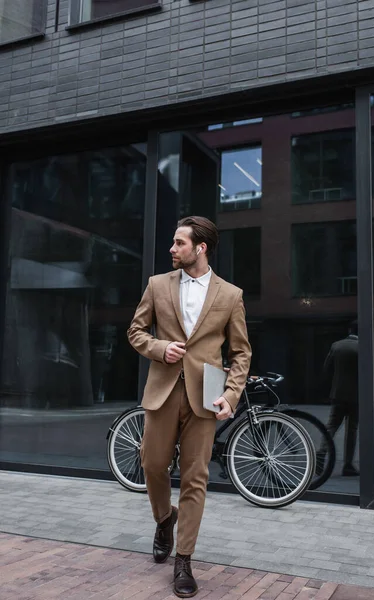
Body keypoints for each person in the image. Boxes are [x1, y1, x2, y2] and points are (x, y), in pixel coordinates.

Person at [127, 216, 251, 598]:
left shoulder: (231, 295)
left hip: (206, 397)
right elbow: (136, 331)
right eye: (173, 242)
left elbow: (241, 352)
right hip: (163, 391)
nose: (172, 248)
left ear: (201, 248)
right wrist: (160, 349)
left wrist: (230, 396)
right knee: (152, 464)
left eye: (179, 243)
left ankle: (184, 559)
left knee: (196, 477)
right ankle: (165, 519)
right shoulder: (157, 285)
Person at [319, 320, 359, 477]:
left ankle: (321, 453)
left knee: (332, 425)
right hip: (356, 395)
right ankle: (348, 465)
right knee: (352, 429)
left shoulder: (336, 345)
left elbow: (326, 369)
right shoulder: (364, 346)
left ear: (349, 330)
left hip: (338, 394)